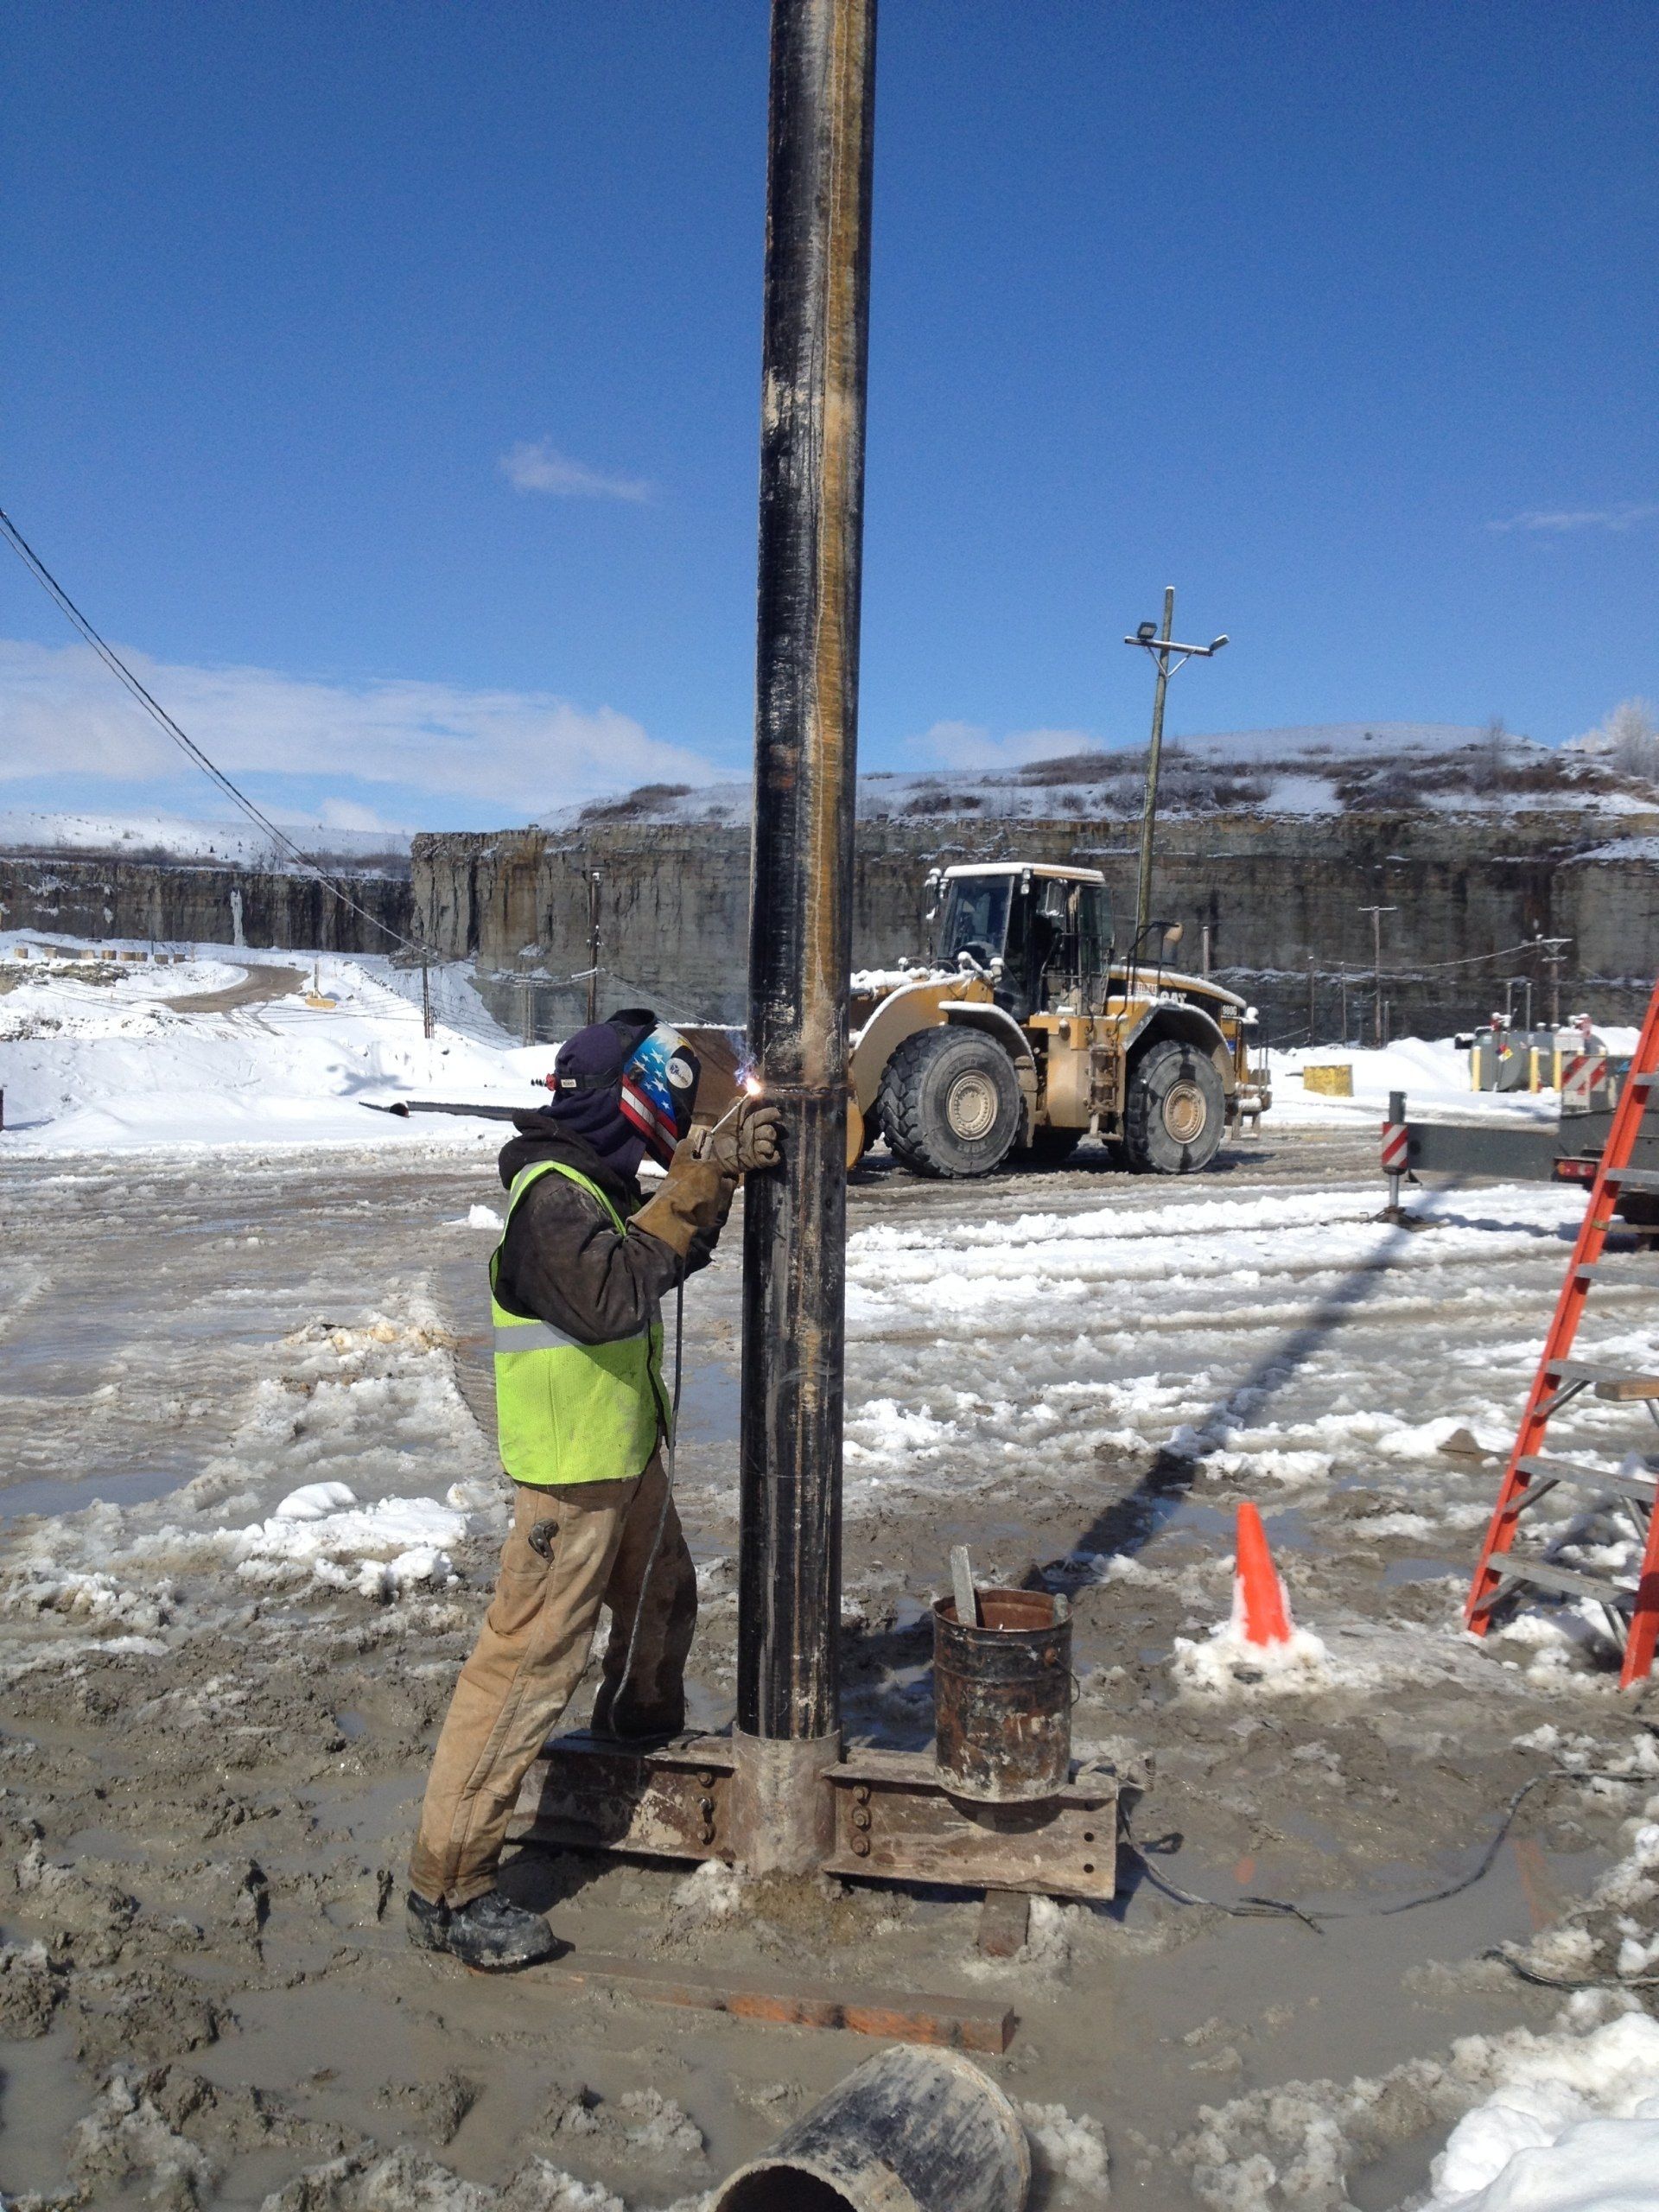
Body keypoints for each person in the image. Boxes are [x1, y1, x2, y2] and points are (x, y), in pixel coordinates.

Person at [407, 1010, 781, 1969]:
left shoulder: (601, 1188)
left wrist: (715, 1175)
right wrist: (702, 1174)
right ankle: (449, 1886)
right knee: (525, 1670)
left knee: (664, 1602)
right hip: (569, 1489)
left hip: (623, 1465)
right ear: (623, 1100)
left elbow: (670, 1252)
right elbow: (618, 1290)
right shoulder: (553, 1201)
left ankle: (634, 1753)